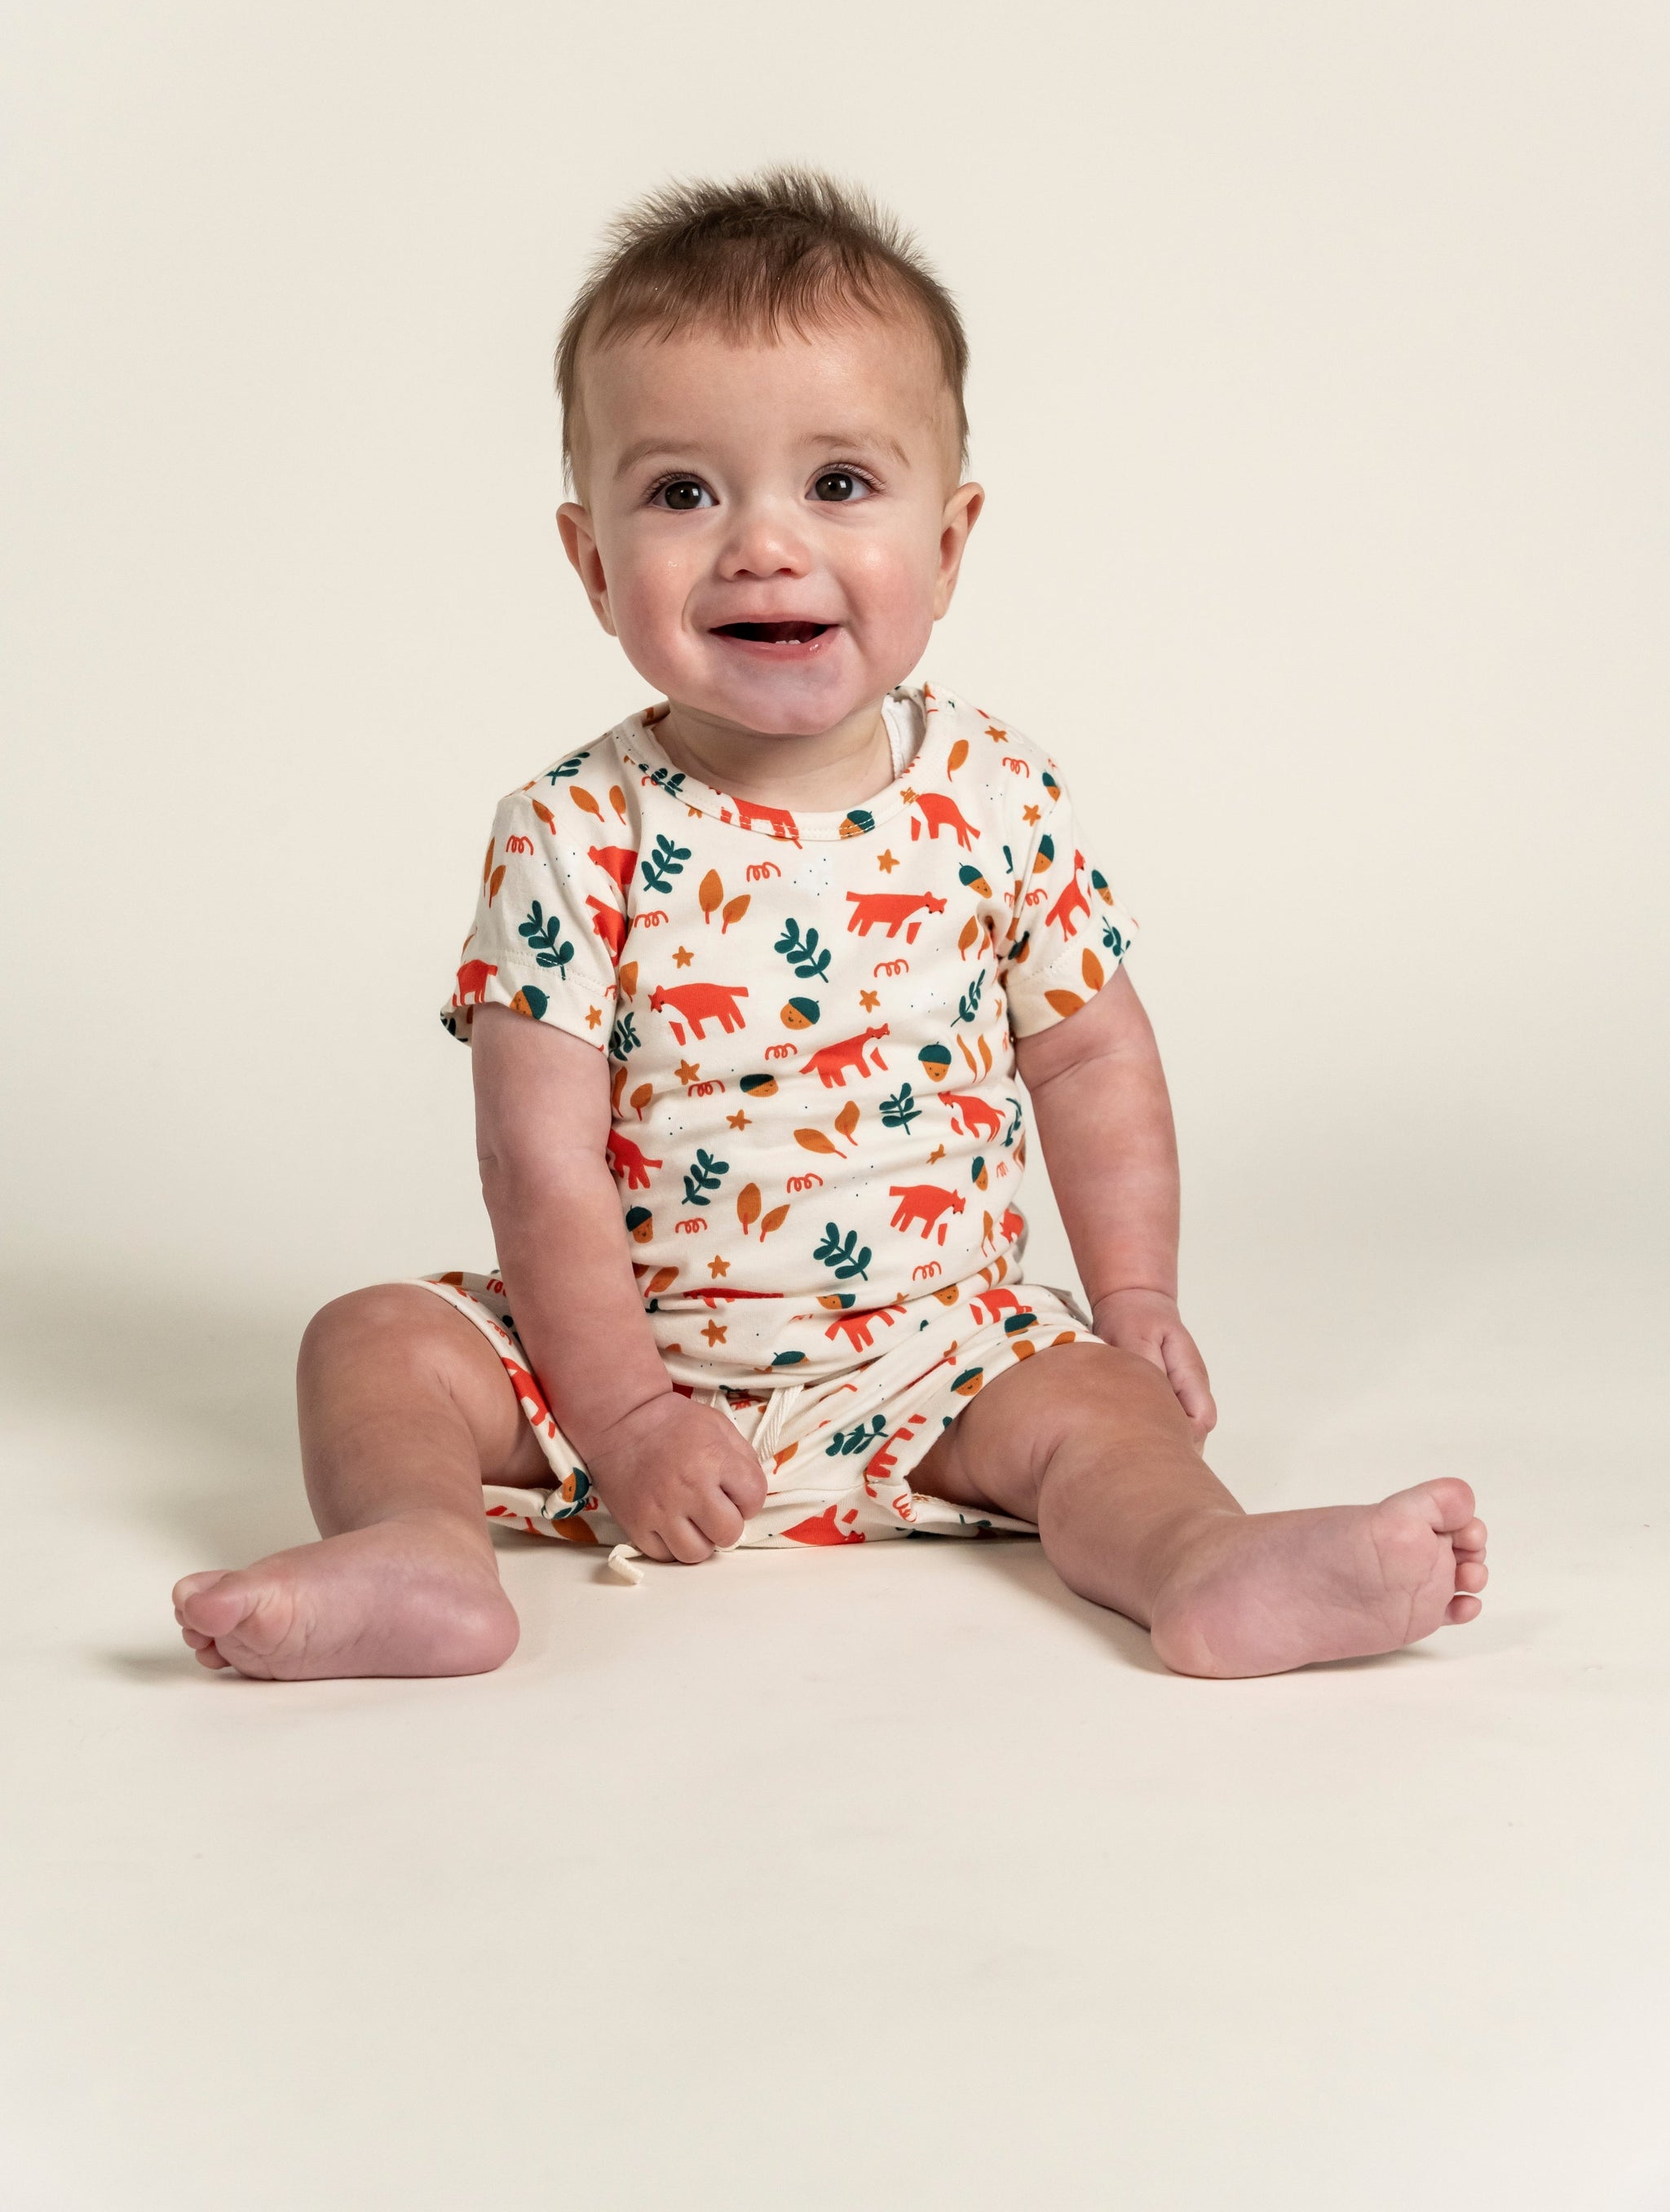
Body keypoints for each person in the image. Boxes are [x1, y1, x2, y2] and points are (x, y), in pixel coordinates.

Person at [172, 170, 1488, 1680]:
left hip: (941, 1354)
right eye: (682, 492)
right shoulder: (572, 830)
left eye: (841, 485)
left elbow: (1093, 1061)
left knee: (1099, 1413)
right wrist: (626, 1419)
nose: (762, 545)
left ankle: (1206, 1565)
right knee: (371, 1344)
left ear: (951, 538)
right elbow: (531, 1159)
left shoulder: (998, 792)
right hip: (624, 1354)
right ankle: (412, 1551)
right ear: (592, 562)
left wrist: (1132, 1301)